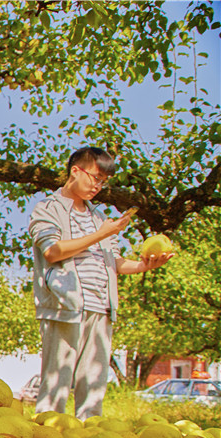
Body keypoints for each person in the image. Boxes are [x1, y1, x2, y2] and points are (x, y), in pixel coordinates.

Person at [28, 147, 172, 420]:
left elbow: (115, 262)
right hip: (64, 306)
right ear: (75, 170)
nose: (98, 185)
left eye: (103, 182)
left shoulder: (99, 218)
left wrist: (144, 265)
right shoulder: (48, 208)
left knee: (93, 392)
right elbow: (53, 251)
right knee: (55, 389)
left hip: (102, 308)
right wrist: (101, 233)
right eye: (95, 177)